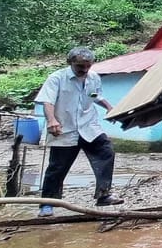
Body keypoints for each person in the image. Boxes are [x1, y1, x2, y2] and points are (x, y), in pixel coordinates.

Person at [35, 47, 124, 216]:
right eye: (80, 66)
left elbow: (94, 95)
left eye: (87, 66)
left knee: (106, 152)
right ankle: (47, 204)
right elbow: (48, 101)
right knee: (58, 167)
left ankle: (103, 195)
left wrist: (109, 108)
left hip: (88, 126)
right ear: (70, 63)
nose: (84, 70)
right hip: (64, 128)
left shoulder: (93, 77)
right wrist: (52, 120)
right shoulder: (57, 78)